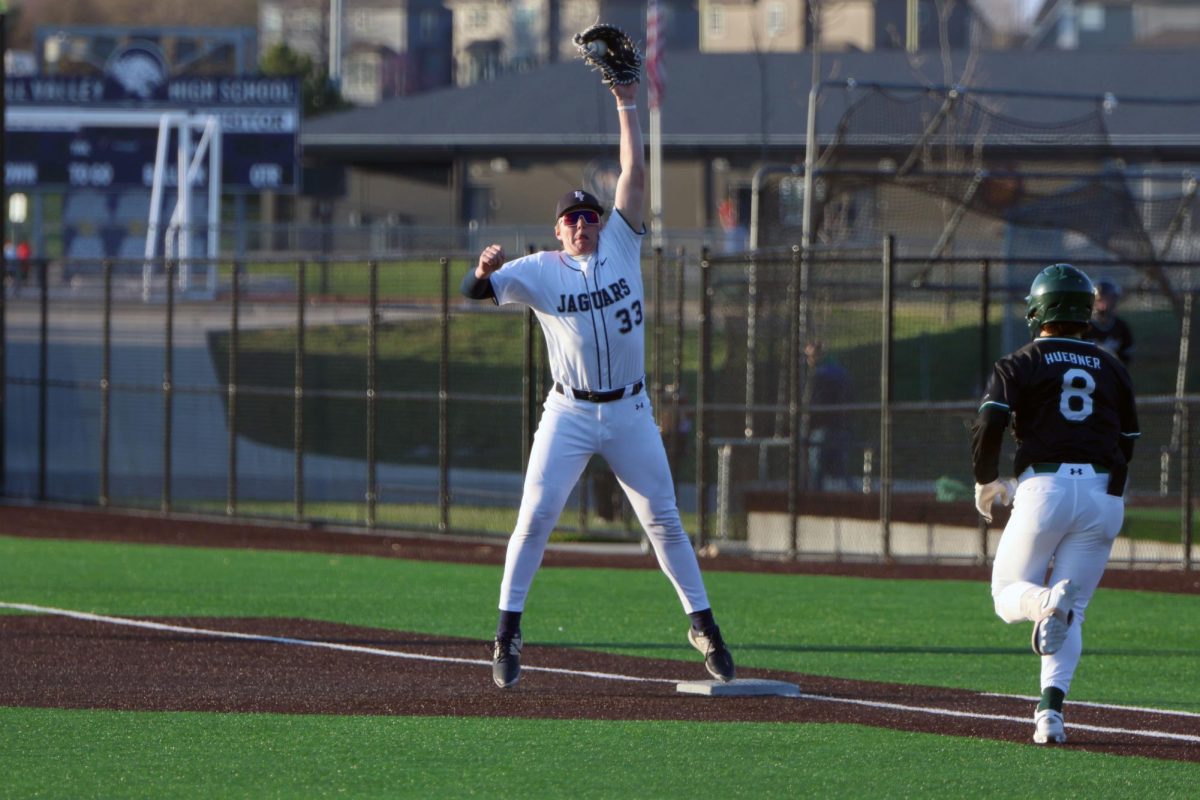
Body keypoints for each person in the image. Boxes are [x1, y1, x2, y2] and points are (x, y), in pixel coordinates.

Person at [461, 77, 735, 690]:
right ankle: (507, 632)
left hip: (632, 411)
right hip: (570, 413)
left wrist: (626, 104)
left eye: (589, 214)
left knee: (664, 519)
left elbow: (634, 170)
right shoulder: (538, 270)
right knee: (534, 518)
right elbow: (476, 293)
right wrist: (480, 272)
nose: (583, 224)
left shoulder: (620, 242)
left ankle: (704, 626)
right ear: (557, 230)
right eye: (572, 218)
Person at [971, 263, 1139, 745]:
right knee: (1074, 612)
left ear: (1037, 308)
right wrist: (1107, 489)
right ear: (1087, 310)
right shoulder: (1112, 365)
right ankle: (1050, 715)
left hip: (1045, 488)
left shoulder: (1020, 361)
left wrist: (985, 479)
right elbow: (1128, 438)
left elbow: (990, 423)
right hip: (1104, 493)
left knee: (1008, 596)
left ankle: (1045, 601)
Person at [803, 340, 852, 491]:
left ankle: (813, 504)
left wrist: (807, 428)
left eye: (810, 355)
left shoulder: (820, 374)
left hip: (822, 428)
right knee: (840, 470)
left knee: (817, 471)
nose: (808, 359)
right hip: (840, 426)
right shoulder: (840, 371)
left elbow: (813, 404)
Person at [1084, 279, 1134, 365]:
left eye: (1107, 300)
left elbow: (1126, 355)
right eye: (1100, 300)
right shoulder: (1084, 326)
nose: (1104, 305)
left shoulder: (1121, 327)